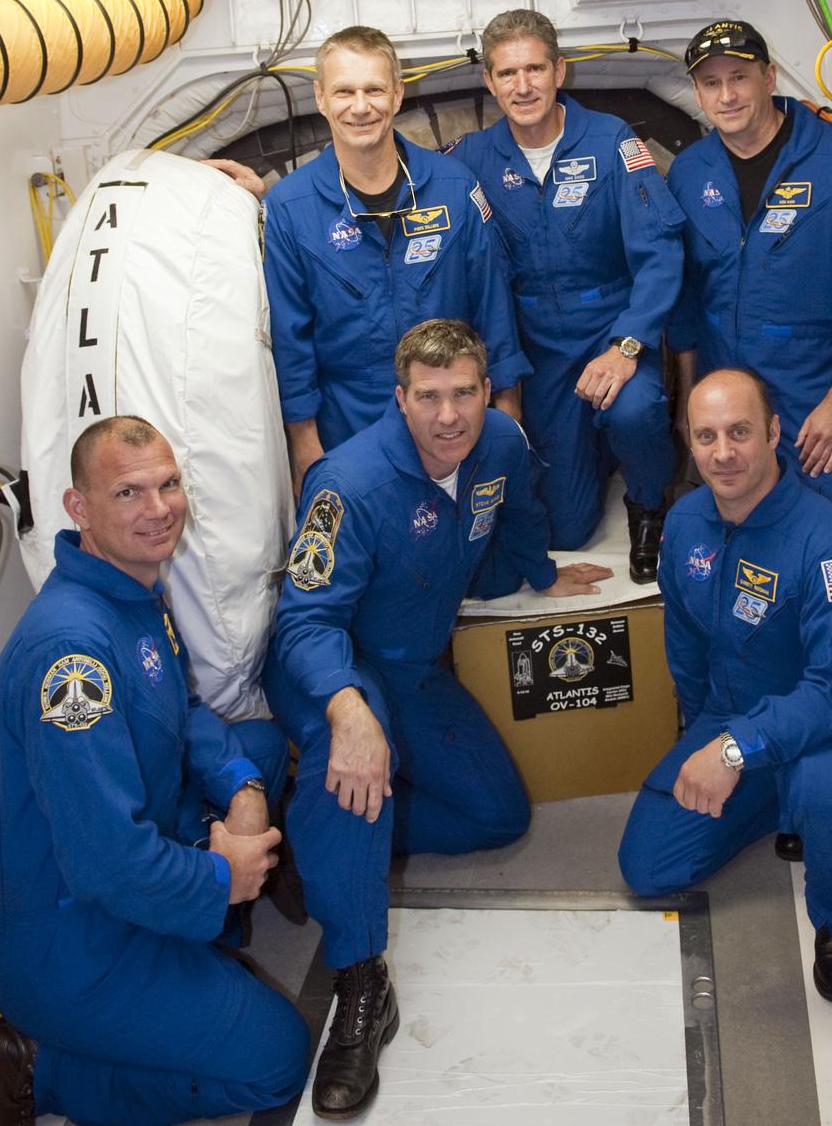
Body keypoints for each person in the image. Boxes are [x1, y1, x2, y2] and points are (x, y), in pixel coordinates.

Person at [264, 319, 612, 1119]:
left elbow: (517, 513)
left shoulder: (499, 443)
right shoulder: (343, 485)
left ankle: (310, 846)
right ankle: (361, 984)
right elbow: (305, 621)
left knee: (498, 813)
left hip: (413, 666)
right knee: (351, 777)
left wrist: (538, 575)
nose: (448, 415)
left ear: (485, 393)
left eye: (463, 393)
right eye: (428, 397)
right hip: (334, 670)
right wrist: (348, 711)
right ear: (400, 398)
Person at [0, 417, 310, 1126]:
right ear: (79, 508)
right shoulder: (73, 657)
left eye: (168, 485)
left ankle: (198, 941)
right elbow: (106, 863)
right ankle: (41, 1067)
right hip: (72, 942)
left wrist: (244, 790)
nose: (158, 510)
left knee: (262, 747)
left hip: (119, 883)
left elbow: (182, 712)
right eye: (128, 492)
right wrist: (223, 877)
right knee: (278, 1059)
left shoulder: (131, 594)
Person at [619, 368, 832, 1004]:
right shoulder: (686, 523)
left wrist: (732, 752)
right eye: (707, 435)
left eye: (740, 432)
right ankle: (778, 799)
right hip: (732, 714)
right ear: (688, 442)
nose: (724, 453)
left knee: (830, 789)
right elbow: (685, 645)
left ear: (775, 432)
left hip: (829, 728)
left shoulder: (829, 542)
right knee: (648, 866)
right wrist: (704, 736)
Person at [445, 8, 685, 581]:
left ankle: (649, 502)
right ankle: (596, 452)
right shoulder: (472, 159)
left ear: (560, 71)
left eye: (534, 69)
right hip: (538, 352)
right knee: (568, 529)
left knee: (633, 412)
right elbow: (395, 175)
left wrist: (627, 345)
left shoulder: (611, 142)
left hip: (613, 328)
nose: (522, 86)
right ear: (490, 82)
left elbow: (660, 252)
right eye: (507, 73)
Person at [261, 25, 530, 497]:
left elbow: (493, 305)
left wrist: (507, 410)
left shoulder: (453, 186)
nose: (360, 107)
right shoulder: (289, 207)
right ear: (321, 98)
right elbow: (290, 339)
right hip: (349, 418)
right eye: (344, 91)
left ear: (399, 94)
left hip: (451, 412)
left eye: (374, 90)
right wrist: (304, 446)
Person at [667, 19, 832, 543]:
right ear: (698, 93)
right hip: (727, 395)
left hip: (814, 393)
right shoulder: (689, 172)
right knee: (743, 537)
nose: (727, 96)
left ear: (769, 77)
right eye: (710, 83)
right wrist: (687, 400)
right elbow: (684, 301)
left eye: (739, 77)